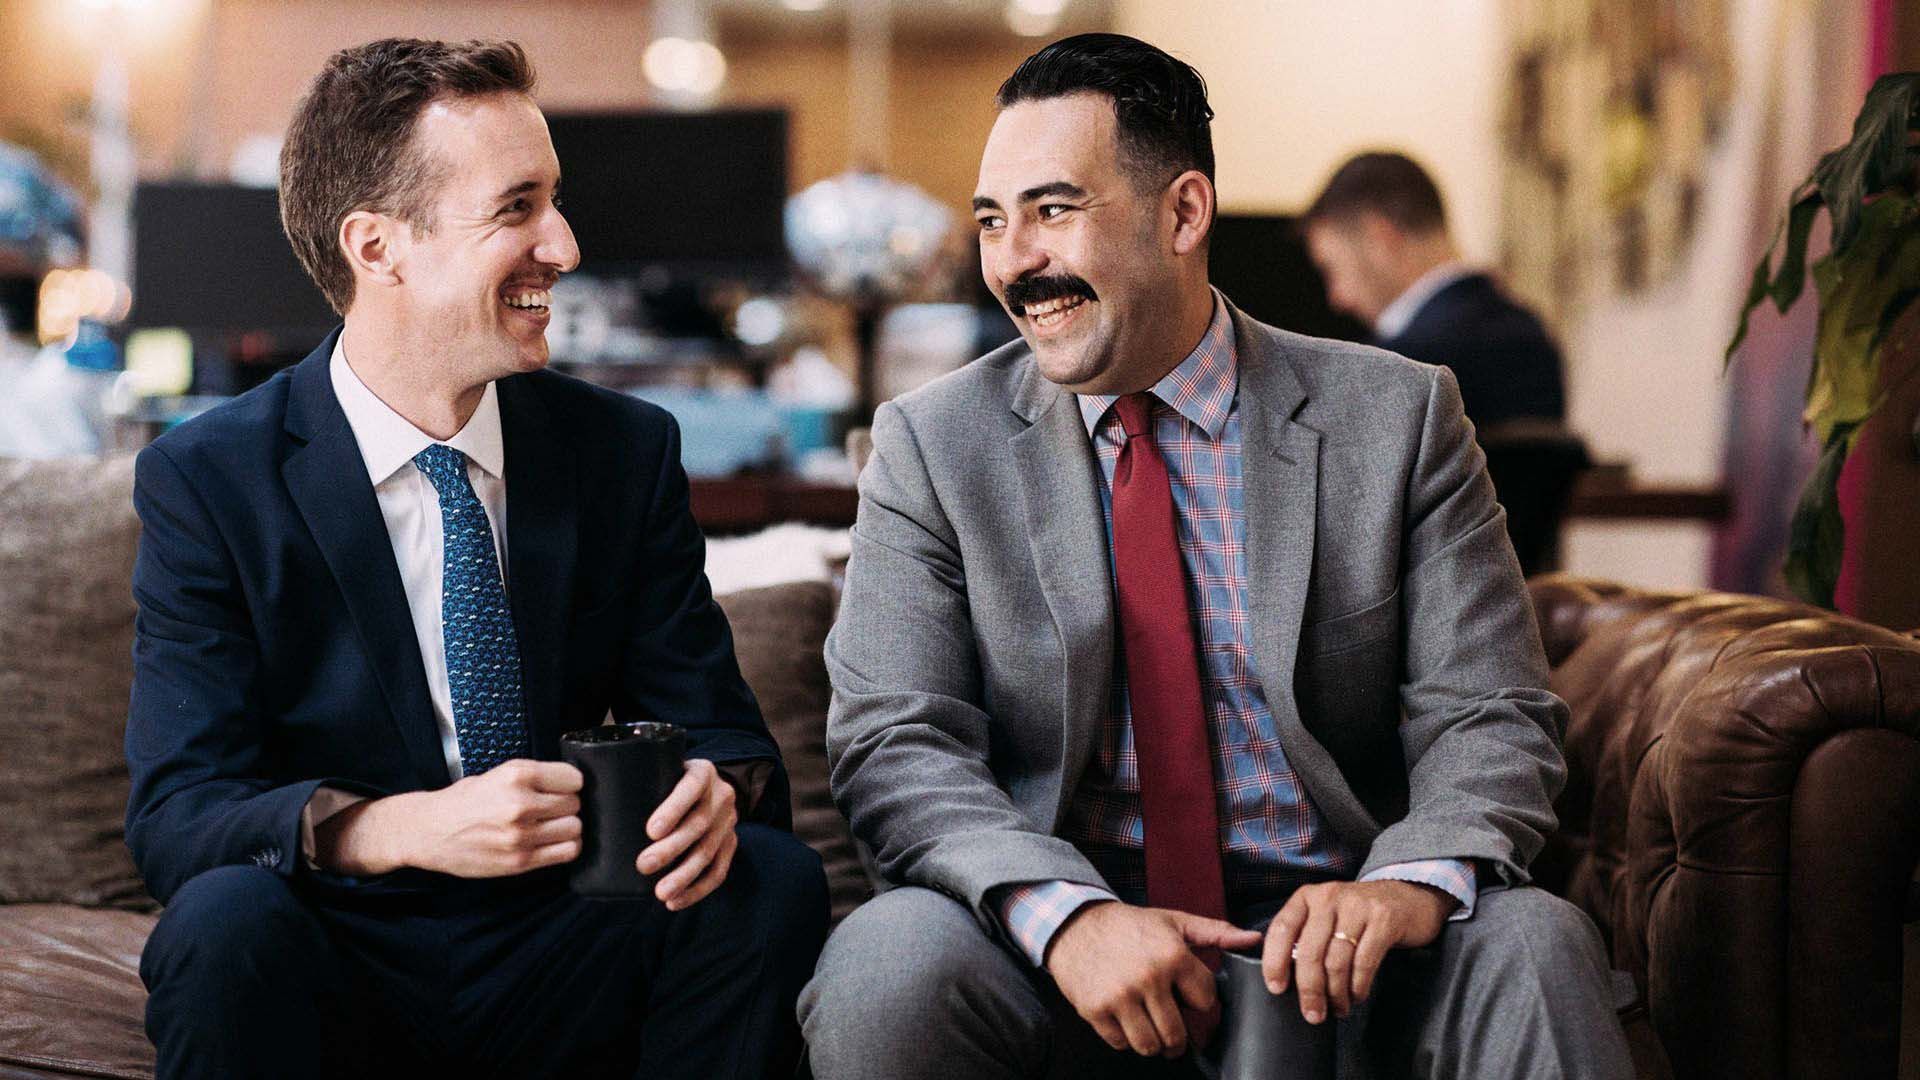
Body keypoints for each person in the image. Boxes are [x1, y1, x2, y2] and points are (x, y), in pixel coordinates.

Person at [800, 33, 1631, 1080]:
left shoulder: (1399, 417)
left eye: (1053, 210)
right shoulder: (932, 445)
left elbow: (1491, 713)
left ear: (1183, 213)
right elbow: (894, 742)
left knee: (1536, 941)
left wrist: (1404, 886)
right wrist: (1068, 920)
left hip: (1341, 942)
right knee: (888, 961)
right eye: (991, 222)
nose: (1014, 261)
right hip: (1058, 948)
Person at [126, 38, 826, 1080]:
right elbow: (179, 817)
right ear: (379, 247)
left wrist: (717, 789)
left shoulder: (623, 452)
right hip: (347, 938)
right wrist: (405, 829)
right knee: (219, 923)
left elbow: (722, 727)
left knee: (767, 882)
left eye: (556, 202)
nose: (567, 245)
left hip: (577, 931)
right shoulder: (210, 480)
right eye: (518, 208)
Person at [1301, 152, 1566, 431]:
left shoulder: (1392, 365)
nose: (1337, 299)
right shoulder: (1534, 337)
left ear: (1379, 237)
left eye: (1332, 269)